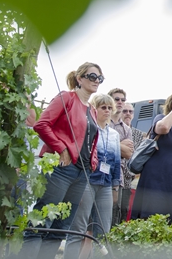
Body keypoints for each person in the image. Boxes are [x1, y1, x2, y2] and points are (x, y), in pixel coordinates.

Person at [15, 63, 103, 259]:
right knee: (41, 220)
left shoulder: (93, 110)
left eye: (99, 78)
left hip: (83, 172)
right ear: (79, 79)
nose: (96, 80)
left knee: (62, 225)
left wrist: (93, 161)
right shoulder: (67, 97)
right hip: (62, 168)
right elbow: (41, 124)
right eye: (92, 76)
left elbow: (90, 140)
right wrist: (60, 147)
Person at [64, 94, 121, 258]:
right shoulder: (88, 128)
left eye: (110, 108)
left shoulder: (114, 135)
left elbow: (116, 162)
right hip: (87, 181)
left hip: (106, 184)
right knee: (78, 228)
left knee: (103, 229)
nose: (108, 111)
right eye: (104, 107)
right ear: (95, 109)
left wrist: (115, 186)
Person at [131, 89, 172, 227]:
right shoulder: (161, 118)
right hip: (154, 184)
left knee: (169, 228)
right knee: (148, 226)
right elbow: (164, 128)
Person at [107, 88, 134, 225]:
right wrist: (120, 145)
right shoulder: (103, 121)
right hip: (101, 173)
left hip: (120, 176)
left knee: (115, 215)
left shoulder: (127, 129)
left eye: (123, 100)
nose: (120, 102)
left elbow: (128, 153)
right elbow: (100, 146)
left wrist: (112, 144)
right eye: (116, 99)